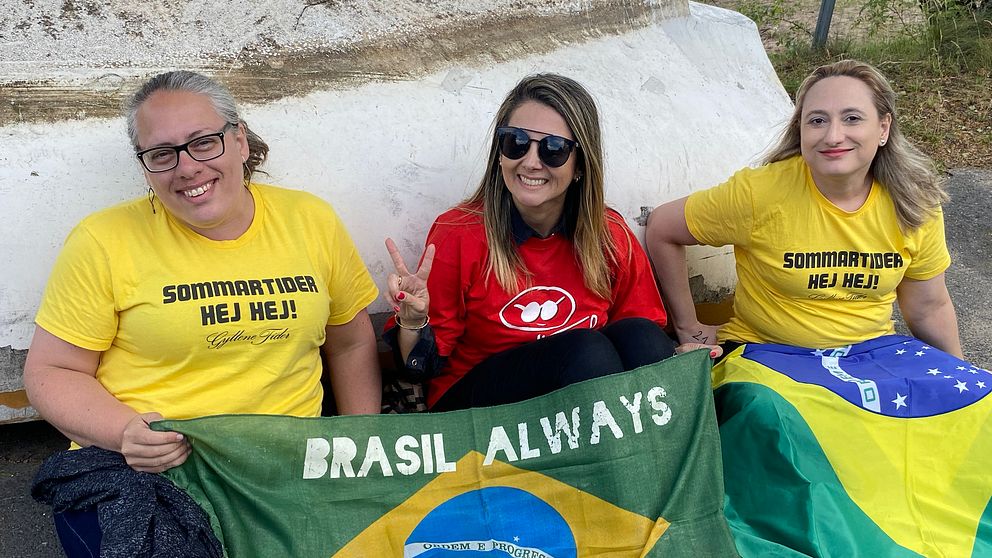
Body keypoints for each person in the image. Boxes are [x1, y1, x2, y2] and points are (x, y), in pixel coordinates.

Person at [24, 70, 381, 555]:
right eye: (162, 154)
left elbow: (352, 341)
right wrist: (124, 431)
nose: (187, 167)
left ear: (238, 140)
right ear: (146, 166)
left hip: (286, 464)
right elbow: (51, 370)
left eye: (203, 143)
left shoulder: (310, 221)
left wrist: (359, 447)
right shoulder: (103, 241)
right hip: (148, 470)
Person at [384, 73, 676, 411]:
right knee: (586, 352)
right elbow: (419, 367)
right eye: (516, 143)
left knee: (643, 339)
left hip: (584, 392)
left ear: (580, 163)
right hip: (478, 407)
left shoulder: (608, 233)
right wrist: (414, 319)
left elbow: (644, 335)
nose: (531, 161)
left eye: (553, 149)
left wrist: (676, 359)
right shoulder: (459, 232)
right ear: (499, 153)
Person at [646, 59, 962, 358]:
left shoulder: (912, 201)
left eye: (852, 118)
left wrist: (964, 382)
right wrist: (689, 328)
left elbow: (928, 308)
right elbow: (663, 227)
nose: (833, 136)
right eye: (817, 121)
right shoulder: (761, 193)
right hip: (769, 359)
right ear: (801, 129)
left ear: (883, 128)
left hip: (867, 361)